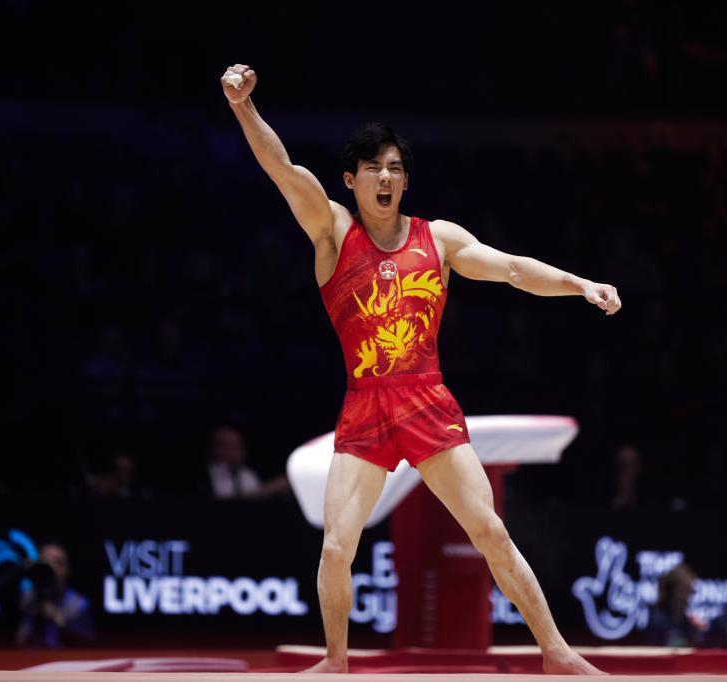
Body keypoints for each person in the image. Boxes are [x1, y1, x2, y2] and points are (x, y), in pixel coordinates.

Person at [221, 63, 621, 675]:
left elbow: (513, 269)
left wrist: (580, 284)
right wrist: (243, 106)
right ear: (351, 179)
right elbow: (282, 169)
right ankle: (335, 662)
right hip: (365, 404)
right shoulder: (333, 232)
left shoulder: (439, 240)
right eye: (373, 167)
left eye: (395, 168)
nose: (385, 177)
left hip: (426, 400)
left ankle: (558, 653)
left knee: (490, 531)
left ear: (406, 180)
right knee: (337, 546)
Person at [15, 543, 95, 648]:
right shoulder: (26, 598)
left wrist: (57, 619)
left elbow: (87, 643)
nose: (51, 567)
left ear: (67, 569)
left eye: (58, 562)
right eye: (45, 561)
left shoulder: (79, 604)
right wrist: (21, 568)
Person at [645, 563, 703, 647]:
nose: (688, 597)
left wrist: (697, 633)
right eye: (685, 590)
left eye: (691, 591)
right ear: (672, 591)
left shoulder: (688, 624)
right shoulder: (652, 620)